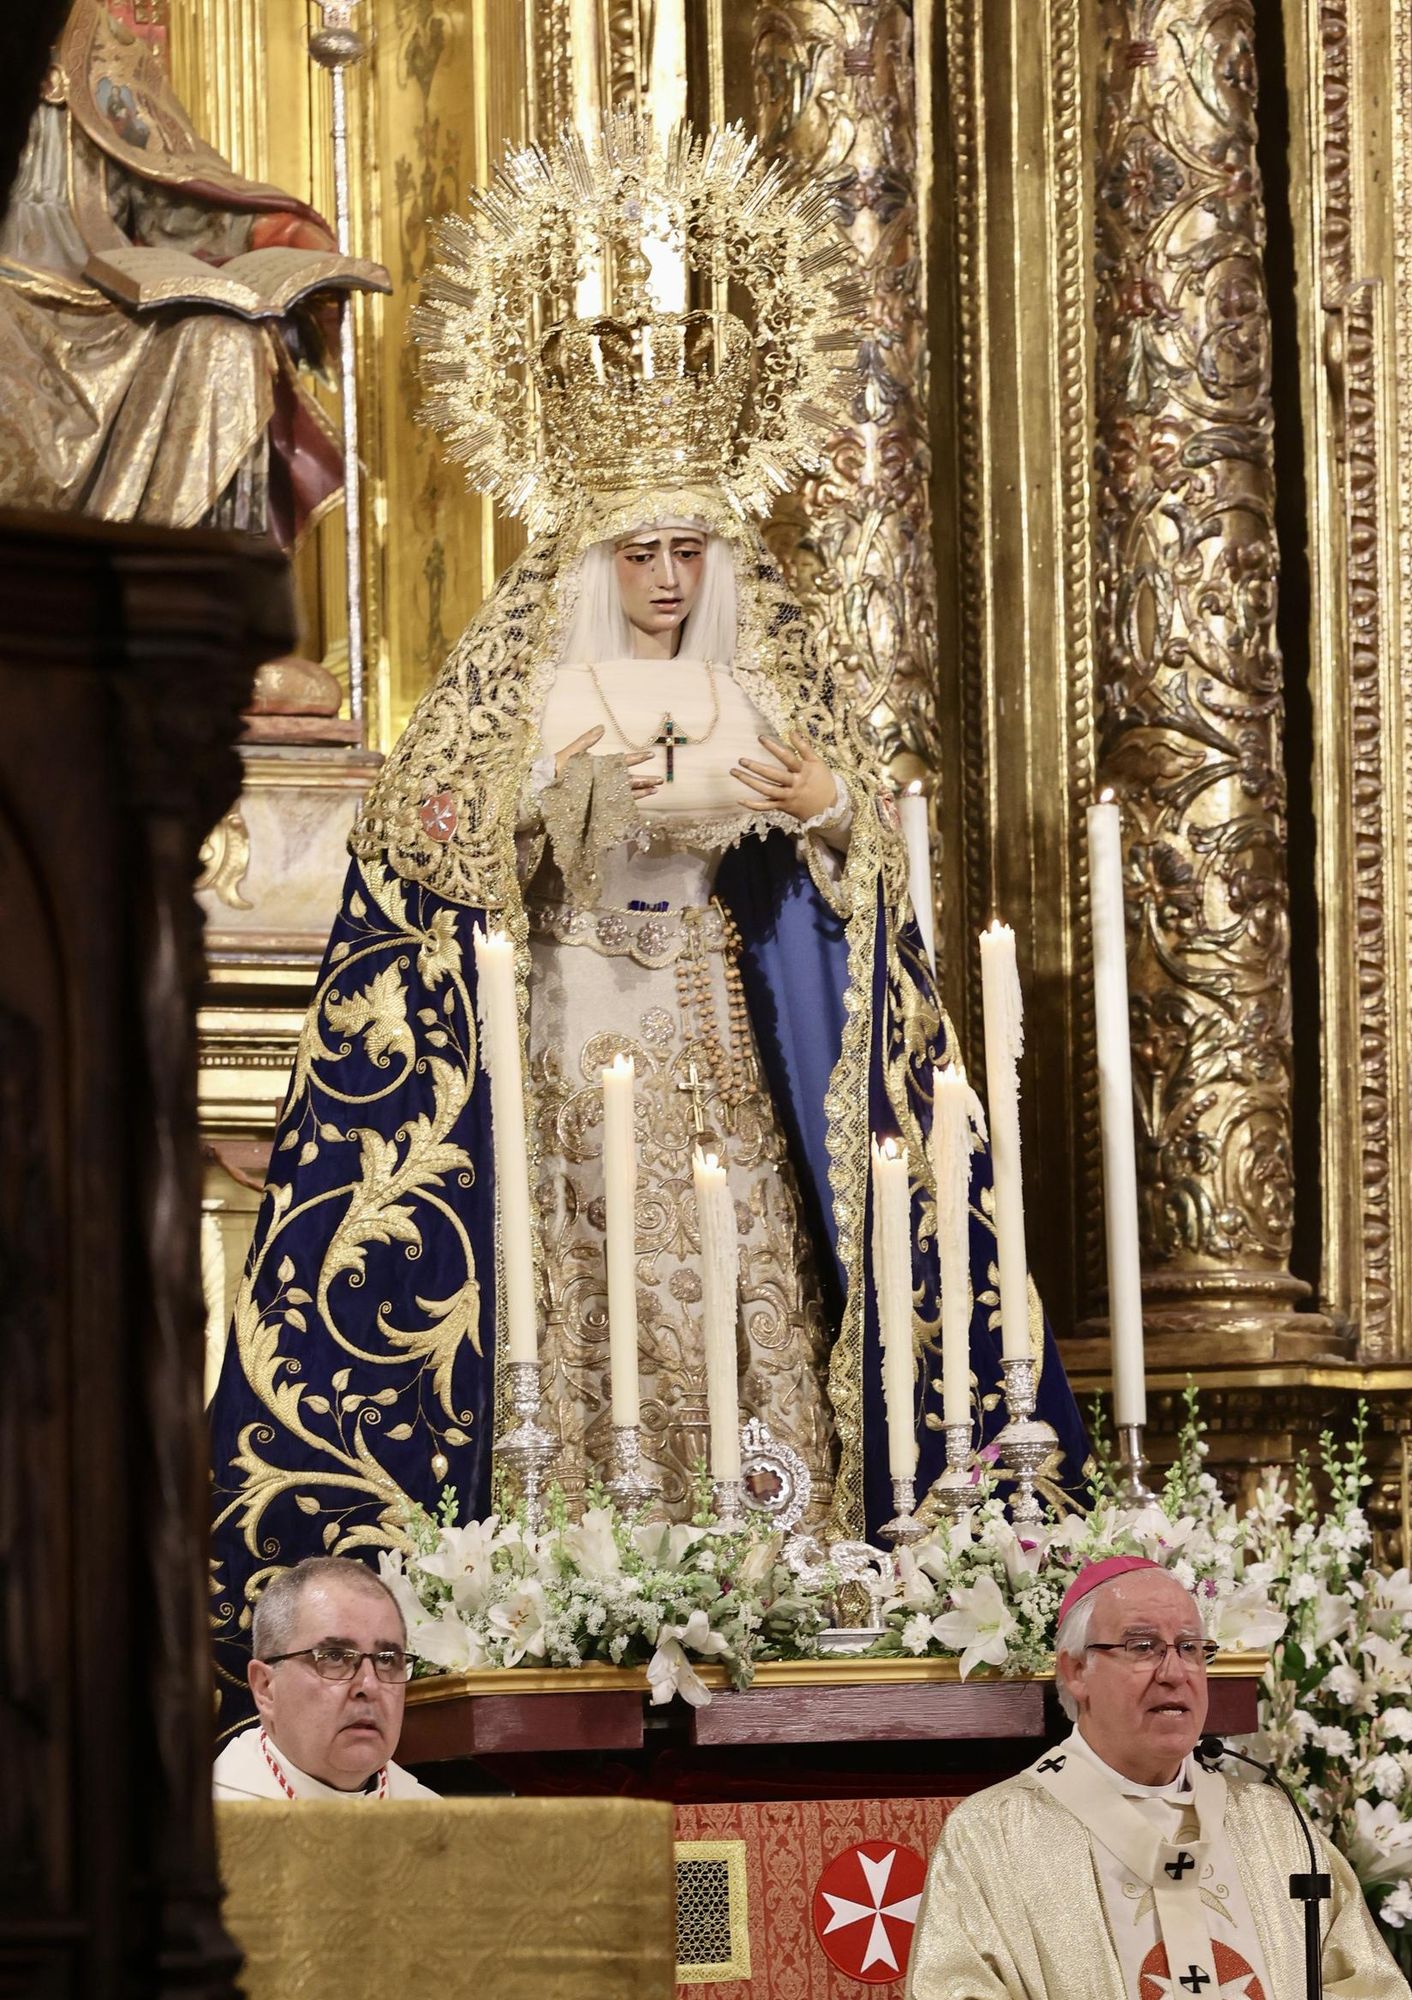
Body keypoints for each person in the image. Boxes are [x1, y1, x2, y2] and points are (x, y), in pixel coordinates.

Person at [207, 112, 1086, 1723]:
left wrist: (820, 807)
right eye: (642, 549)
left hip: (713, 1041)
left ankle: (777, 1595)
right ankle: (592, 1604)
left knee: (750, 1280)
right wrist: (551, 797)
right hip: (560, 1049)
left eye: (693, 546)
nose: (672, 578)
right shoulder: (515, 665)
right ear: (588, 542)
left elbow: (865, 867)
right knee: (586, 1308)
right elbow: (422, 843)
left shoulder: (783, 651)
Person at [898, 1558, 1412, 2000]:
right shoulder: (992, 1835)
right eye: (1142, 1647)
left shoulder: (1276, 1825)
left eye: (1191, 1648)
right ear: (1075, 1671)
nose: (1175, 1671)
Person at [0, 1, 348, 544]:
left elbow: (172, 196)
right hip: (8, 306)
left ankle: (186, 587)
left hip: (106, 306)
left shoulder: (102, 50)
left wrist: (274, 236)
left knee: (223, 342)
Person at [213, 1557, 439, 1802]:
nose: (370, 1686)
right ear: (266, 1688)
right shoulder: (205, 1823)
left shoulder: (441, 1823)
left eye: (386, 1660)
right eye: (335, 1656)